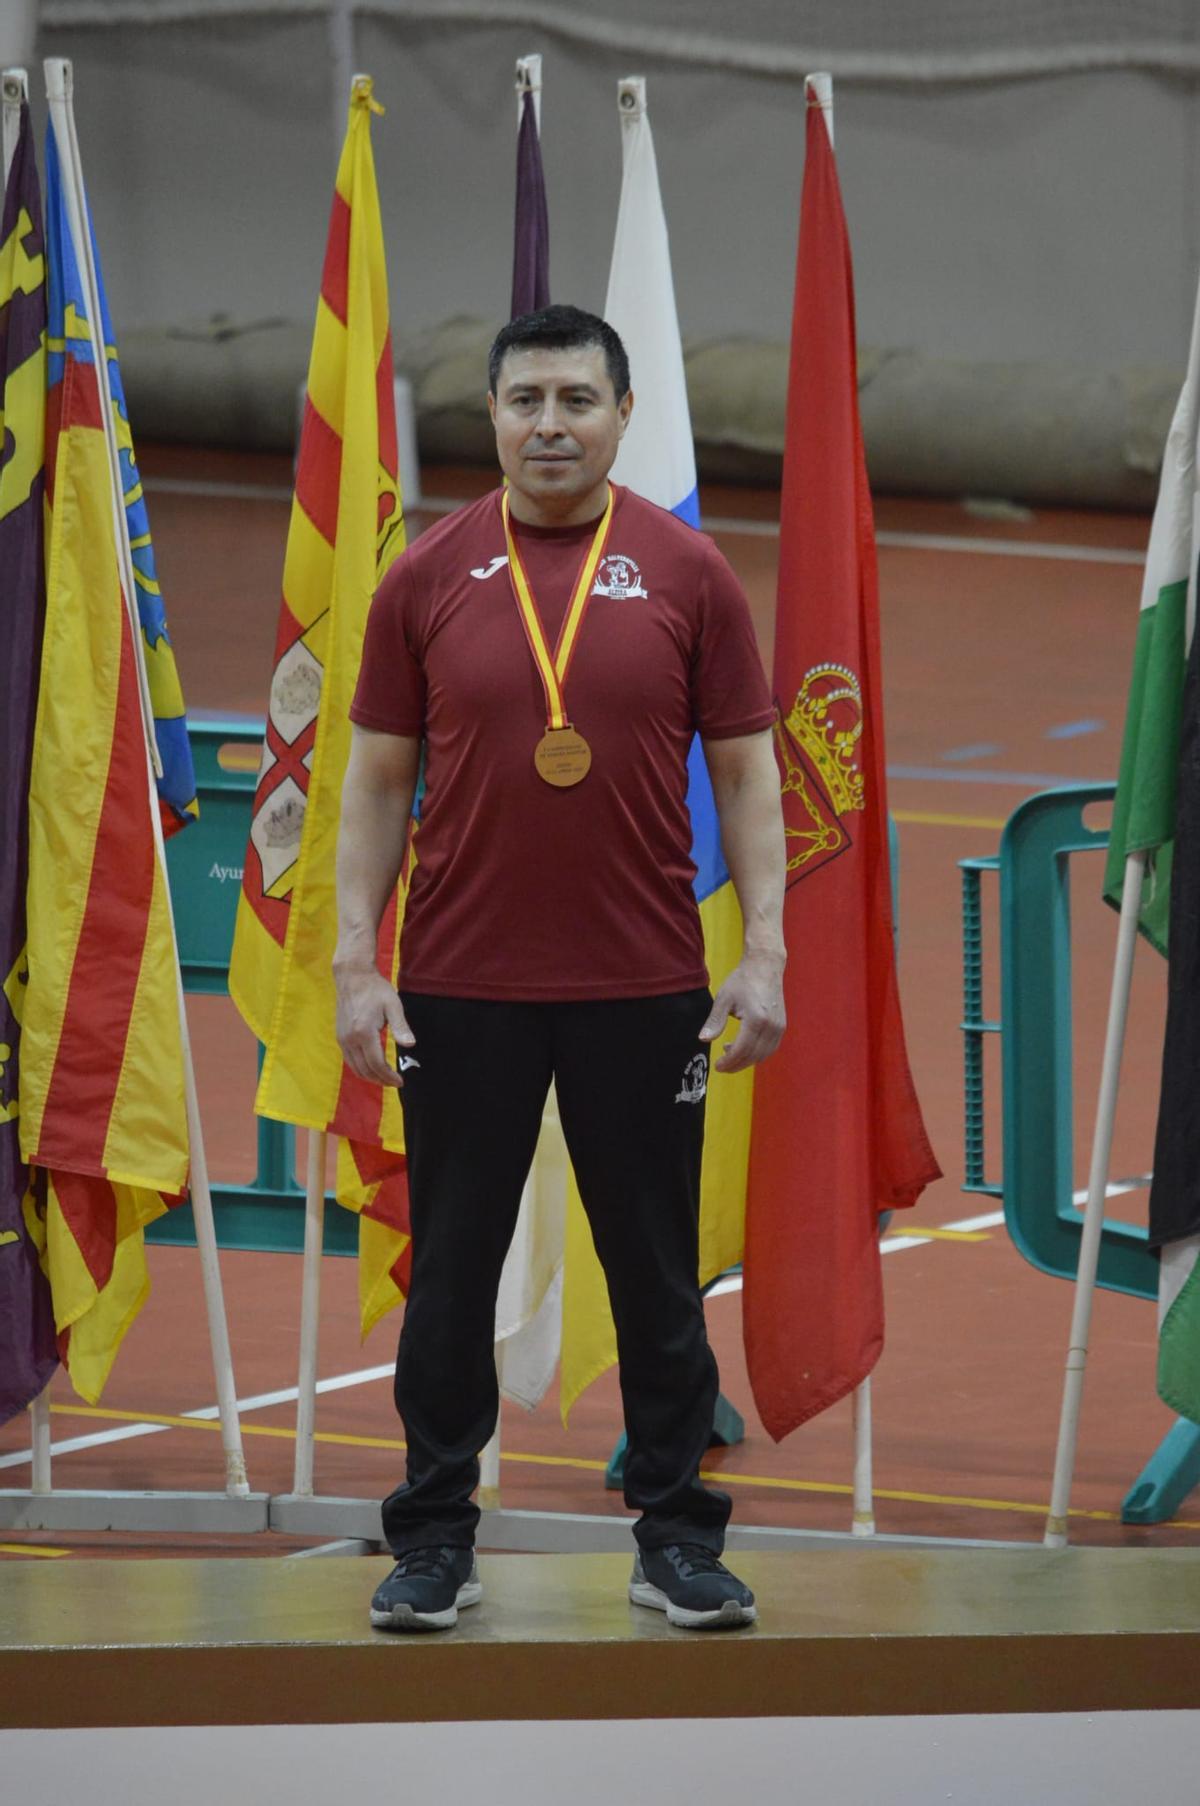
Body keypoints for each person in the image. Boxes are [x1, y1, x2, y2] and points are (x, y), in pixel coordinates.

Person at [335, 303, 786, 1634]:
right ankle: (430, 1536)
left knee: (654, 1273)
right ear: (490, 417)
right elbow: (371, 782)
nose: (549, 424)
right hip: (462, 983)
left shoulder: (690, 572)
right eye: (525, 399)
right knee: (453, 1268)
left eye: (576, 400)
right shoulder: (427, 577)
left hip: (644, 984)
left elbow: (752, 775)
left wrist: (761, 949)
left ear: (621, 415)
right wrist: (359, 966)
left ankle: (674, 1536)